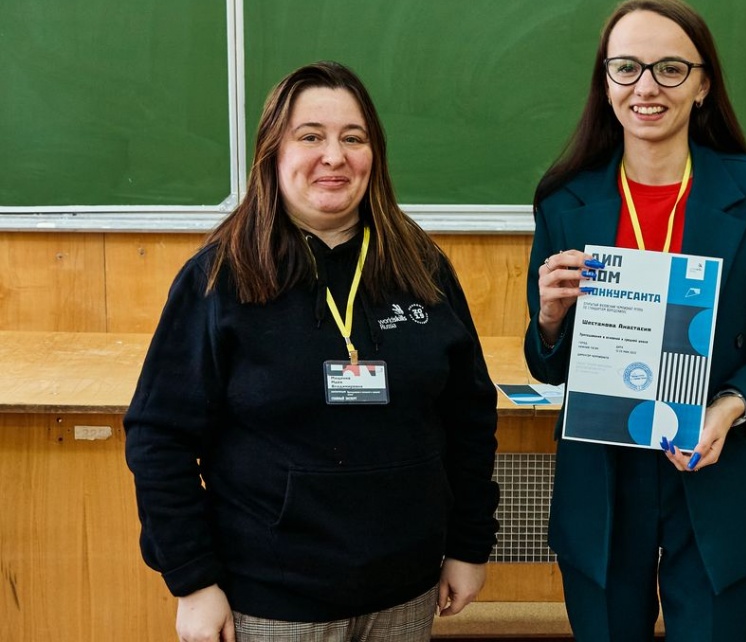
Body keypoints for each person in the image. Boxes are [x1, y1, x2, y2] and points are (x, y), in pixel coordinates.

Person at [125, 61, 499, 642]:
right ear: (272, 153)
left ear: (374, 155)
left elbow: (469, 416)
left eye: (353, 138)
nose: (334, 156)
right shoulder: (220, 278)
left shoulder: (422, 268)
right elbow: (158, 438)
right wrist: (193, 581)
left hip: (406, 590)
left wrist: (469, 544)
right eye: (310, 136)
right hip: (272, 599)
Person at [524, 0, 746, 641]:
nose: (646, 87)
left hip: (713, 466)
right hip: (603, 478)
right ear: (606, 82)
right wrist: (549, 319)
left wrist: (730, 408)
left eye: (670, 69)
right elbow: (547, 365)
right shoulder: (563, 198)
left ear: (703, 84)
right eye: (626, 67)